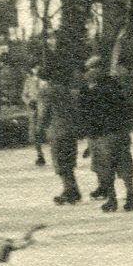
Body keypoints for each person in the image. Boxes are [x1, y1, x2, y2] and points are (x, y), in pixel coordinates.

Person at [80, 56, 133, 213]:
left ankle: (112, 199)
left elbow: (86, 114)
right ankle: (131, 196)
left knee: (105, 168)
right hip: (119, 133)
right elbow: (127, 108)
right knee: (124, 165)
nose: (90, 72)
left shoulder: (89, 90)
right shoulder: (116, 85)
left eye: (91, 69)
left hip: (101, 135)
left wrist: (89, 136)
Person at [44, 70, 84, 206]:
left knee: (60, 163)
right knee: (69, 162)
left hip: (56, 131)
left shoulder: (47, 92)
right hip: (70, 131)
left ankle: (69, 191)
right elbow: (77, 112)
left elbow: (44, 113)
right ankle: (73, 189)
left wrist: (40, 129)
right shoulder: (71, 93)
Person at [22, 64, 50, 167]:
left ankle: (52, 151)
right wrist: (28, 102)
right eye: (34, 67)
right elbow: (24, 94)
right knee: (35, 132)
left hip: (43, 108)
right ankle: (40, 154)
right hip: (33, 108)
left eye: (38, 67)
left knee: (46, 129)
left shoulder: (45, 81)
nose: (36, 69)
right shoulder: (28, 81)